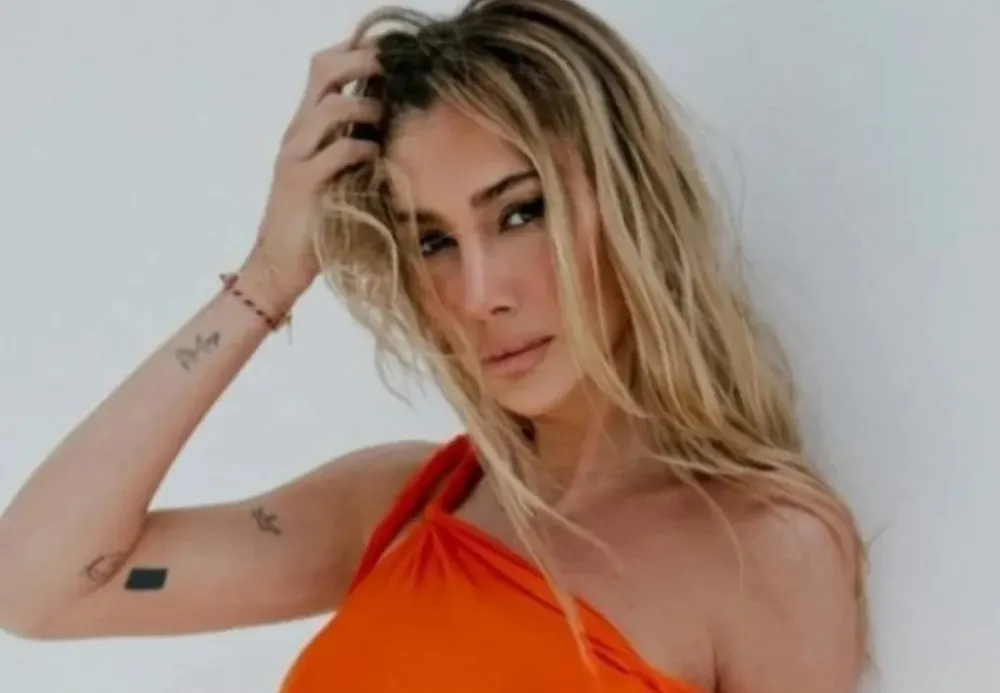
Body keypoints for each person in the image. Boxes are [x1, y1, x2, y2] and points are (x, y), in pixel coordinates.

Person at [0, 0, 868, 691]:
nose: (479, 293)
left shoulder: (766, 549)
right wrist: (268, 277)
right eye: (433, 240)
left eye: (520, 212)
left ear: (631, 205)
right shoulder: (407, 504)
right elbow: (39, 584)